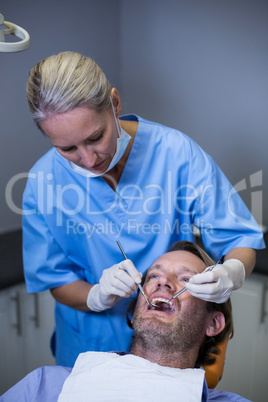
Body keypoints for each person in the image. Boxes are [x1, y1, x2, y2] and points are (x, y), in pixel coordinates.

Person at [23, 51, 265, 366]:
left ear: (115, 103)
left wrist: (232, 273)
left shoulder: (177, 154)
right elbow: (55, 279)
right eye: (67, 149)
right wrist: (96, 296)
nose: (88, 159)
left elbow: (239, 239)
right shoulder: (43, 182)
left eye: (96, 137)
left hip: (170, 344)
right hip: (88, 346)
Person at [1, 241, 251, 401]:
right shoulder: (45, 386)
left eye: (186, 279)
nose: (163, 282)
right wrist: (93, 294)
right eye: (154, 275)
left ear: (213, 324)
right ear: (135, 311)